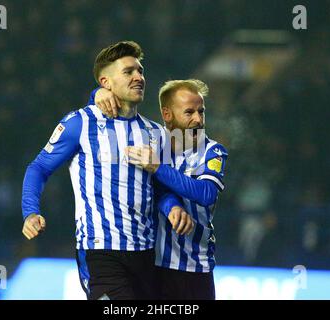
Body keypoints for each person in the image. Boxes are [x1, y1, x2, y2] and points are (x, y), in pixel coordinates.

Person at [21, 41, 194, 300]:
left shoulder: (155, 132)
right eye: (128, 72)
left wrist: (173, 207)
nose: (139, 77)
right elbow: (39, 168)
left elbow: (159, 190)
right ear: (106, 82)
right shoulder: (79, 123)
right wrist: (30, 212)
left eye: (140, 71)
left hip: (146, 253)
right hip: (100, 251)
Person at [92, 79, 228, 299]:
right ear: (167, 115)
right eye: (189, 112)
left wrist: (157, 167)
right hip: (151, 264)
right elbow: (107, 119)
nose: (198, 119)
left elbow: (206, 193)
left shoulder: (212, 151)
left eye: (201, 111)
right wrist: (97, 93)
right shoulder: (150, 143)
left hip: (194, 268)